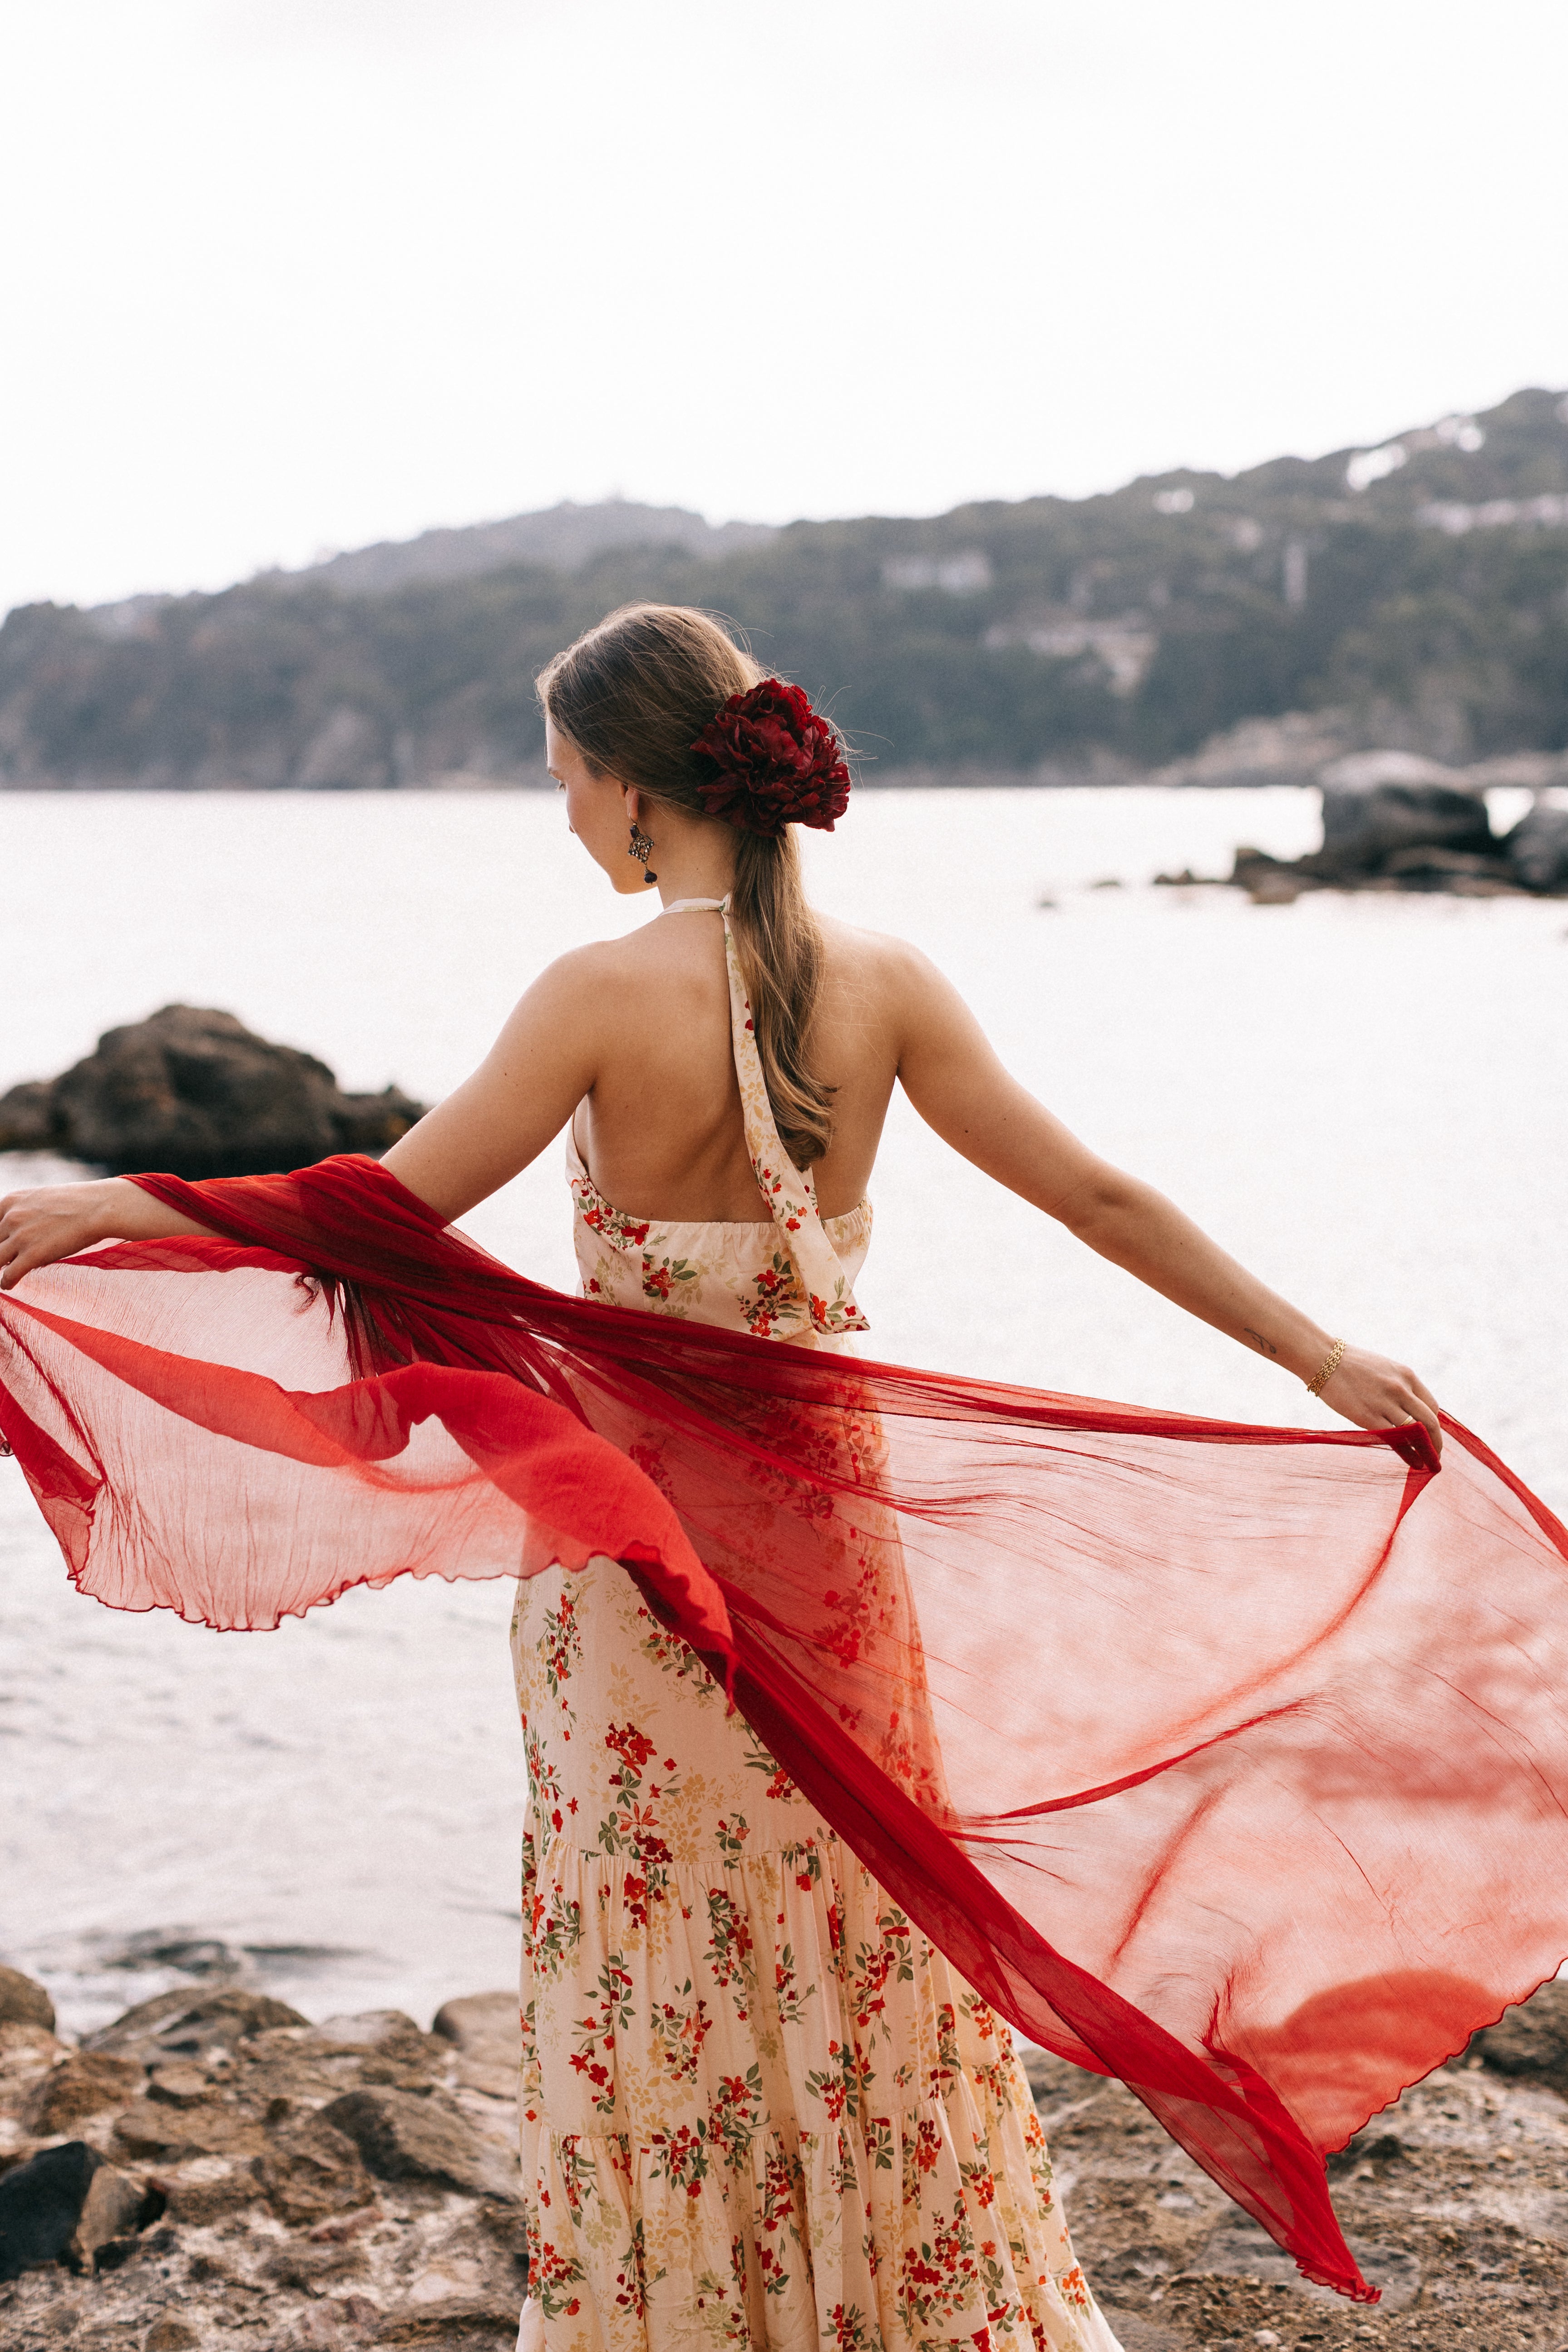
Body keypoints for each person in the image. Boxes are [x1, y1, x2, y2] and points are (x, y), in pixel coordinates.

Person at [0, 605, 1462, 2352]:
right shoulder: (891, 980)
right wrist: (1324, 1361)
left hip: (633, 1560)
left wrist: (114, 1204)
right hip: (831, 1545)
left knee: (658, 1943)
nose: (563, 822)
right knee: (862, 1932)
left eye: (566, 784)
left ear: (634, 792)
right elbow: (1101, 1199)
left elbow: (377, 1214)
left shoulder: (598, 992)